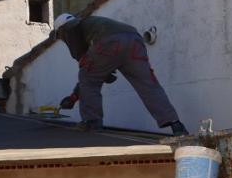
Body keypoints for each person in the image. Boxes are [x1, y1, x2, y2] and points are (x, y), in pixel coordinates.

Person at [51, 13, 188, 135]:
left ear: (61, 30)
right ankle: (175, 124)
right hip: (135, 41)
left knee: (87, 77)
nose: (63, 39)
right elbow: (99, 65)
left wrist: (75, 95)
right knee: (148, 84)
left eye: (60, 37)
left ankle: (92, 121)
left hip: (109, 42)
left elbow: (87, 70)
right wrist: (75, 96)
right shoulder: (92, 25)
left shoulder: (70, 26)